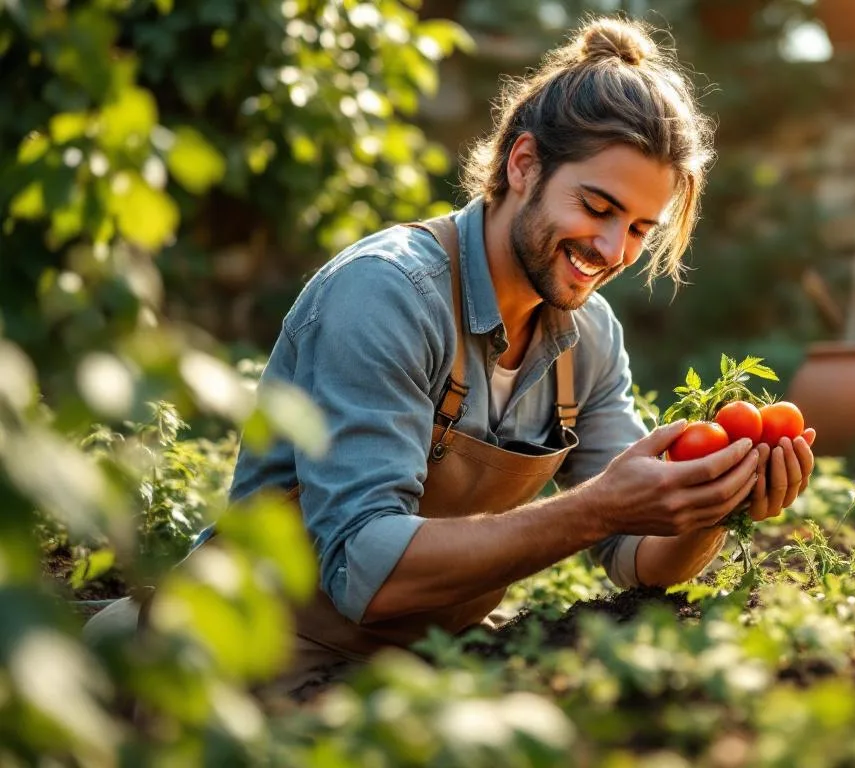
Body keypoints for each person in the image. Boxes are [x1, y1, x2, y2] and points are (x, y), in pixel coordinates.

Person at [87, 16, 815, 694]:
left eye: (639, 228)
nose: (611, 250)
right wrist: (594, 510)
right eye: (596, 208)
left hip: (417, 669)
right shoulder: (387, 294)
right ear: (523, 163)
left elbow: (636, 557)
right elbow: (364, 572)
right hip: (239, 661)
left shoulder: (586, 337)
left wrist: (706, 507)